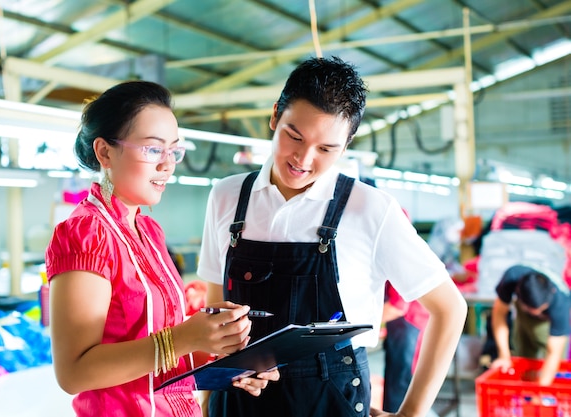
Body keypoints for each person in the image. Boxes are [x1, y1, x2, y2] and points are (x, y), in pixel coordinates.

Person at [198, 56, 467, 417]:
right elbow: (219, 311)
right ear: (275, 115)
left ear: (348, 143)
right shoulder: (228, 196)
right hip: (239, 398)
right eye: (294, 136)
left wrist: (411, 412)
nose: (303, 159)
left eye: (326, 149)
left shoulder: (371, 208)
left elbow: (449, 308)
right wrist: (211, 388)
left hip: (329, 400)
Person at [45, 80, 277, 417]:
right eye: (153, 149)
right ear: (105, 152)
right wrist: (184, 338)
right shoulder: (86, 234)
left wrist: (230, 363)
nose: (168, 165)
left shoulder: (148, 230)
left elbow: (165, 357)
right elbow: (74, 372)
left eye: (174, 151)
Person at [490, 264, 570, 385]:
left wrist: (539, 391)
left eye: (539, 309)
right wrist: (504, 356)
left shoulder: (561, 304)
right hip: (524, 316)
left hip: (550, 320)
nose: (536, 313)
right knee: (524, 358)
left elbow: (554, 353)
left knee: (551, 368)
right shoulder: (512, 277)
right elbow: (499, 314)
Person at [381, 282, 429, 413]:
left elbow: (397, 307)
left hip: (408, 328)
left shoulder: (395, 263)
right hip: (407, 328)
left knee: (400, 389)